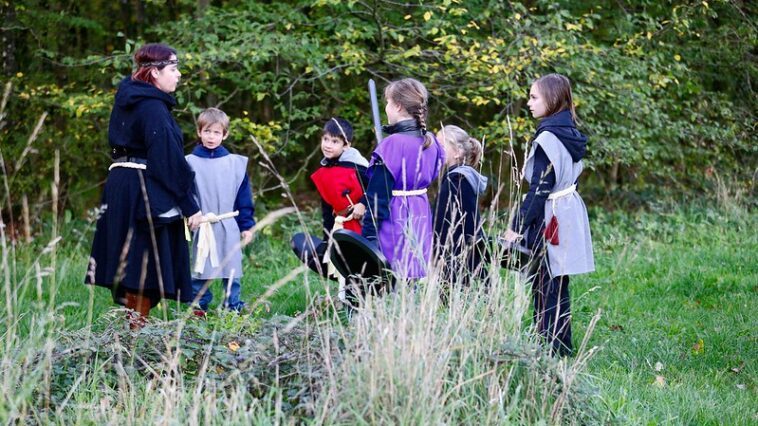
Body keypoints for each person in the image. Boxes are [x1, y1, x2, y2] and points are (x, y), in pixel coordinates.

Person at [85, 43, 203, 328]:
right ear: (154, 72)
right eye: (173, 69)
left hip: (121, 184)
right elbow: (167, 159)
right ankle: (137, 336)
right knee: (142, 266)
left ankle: (134, 331)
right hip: (141, 189)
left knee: (135, 265)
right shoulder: (152, 108)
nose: (178, 76)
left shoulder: (128, 100)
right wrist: (190, 206)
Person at [503, 73, 595, 356]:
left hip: (550, 217)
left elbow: (539, 189)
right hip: (566, 211)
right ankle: (559, 345)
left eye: (534, 97)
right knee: (557, 280)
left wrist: (516, 227)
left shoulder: (548, 137)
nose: (528, 103)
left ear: (552, 100)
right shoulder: (570, 133)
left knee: (545, 281)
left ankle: (548, 347)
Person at [352, 78, 445, 280]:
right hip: (420, 213)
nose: (385, 107)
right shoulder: (431, 142)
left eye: (387, 102)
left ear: (398, 106)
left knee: (391, 279)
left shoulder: (392, 145)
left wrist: (368, 241)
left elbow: (377, 199)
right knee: (413, 279)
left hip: (395, 218)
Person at [186, 108, 255, 313]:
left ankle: (232, 307)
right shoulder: (189, 162)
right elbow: (185, 193)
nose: (211, 137)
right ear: (199, 132)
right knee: (201, 269)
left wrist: (247, 225)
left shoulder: (235, 163)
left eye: (216, 132)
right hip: (202, 223)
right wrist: (190, 213)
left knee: (231, 269)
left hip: (228, 223)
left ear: (225, 134)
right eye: (207, 131)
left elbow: (244, 198)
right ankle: (198, 308)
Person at [433, 125, 488, 286]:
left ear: (457, 152)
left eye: (441, 146)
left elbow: (444, 222)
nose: (436, 151)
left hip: (456, 259)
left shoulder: (456, 180)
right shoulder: (459, 177)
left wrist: (438, 254)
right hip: (463, 256)